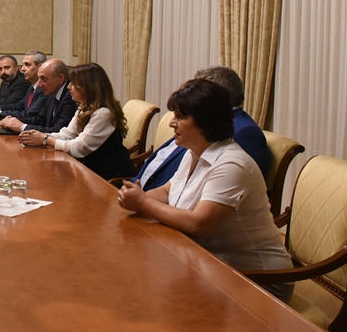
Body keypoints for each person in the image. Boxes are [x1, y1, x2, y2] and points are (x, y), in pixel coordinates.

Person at [118, 78, 293, 302]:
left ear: (205, 121)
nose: (172, 123)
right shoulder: (194, 152)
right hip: (210, 260)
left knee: (153, 295)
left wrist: (142, 203)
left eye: (181, 117)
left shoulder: (232, 164)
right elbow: (167, 191)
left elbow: (198, 224)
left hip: (259, 279)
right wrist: (131, 197)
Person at [133, 65, 270, 191]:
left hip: (167, 210)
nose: (172, 122)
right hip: (144, 196)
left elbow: (214, 194)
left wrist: (143, 202)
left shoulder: (244, 133)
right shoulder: (194, 135)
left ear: (213, 97)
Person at [19, 63, 133, 180]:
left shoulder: (104, 113)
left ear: (86, 87)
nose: (68, 87)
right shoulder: (84, 107)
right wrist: (37, 137)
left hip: (109, 177)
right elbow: (67, 134)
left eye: (73, 83)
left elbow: (77, 149)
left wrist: (45, 139)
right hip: (89, 170)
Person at [194, 65, 270, 180]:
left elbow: (235, 180)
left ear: (216, 97)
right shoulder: (203, 121)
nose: (191, 99)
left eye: (196, 94)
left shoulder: (244, 133)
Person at [0, 58, 76, 135]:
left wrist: (22, 127)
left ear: (60, 78)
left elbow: (58, 131)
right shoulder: (52, 91)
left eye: (43, 79)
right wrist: (12, 121)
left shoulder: (70, 96)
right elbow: (40, 119)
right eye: (39, 78)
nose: (39, 85)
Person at [0, 51, 47, 118]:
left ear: (40, 67)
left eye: (27, 65)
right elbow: (18, 106)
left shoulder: (45, 89)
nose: (22, 69)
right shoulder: (32, 87)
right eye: (0, 69)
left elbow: (30, 114)